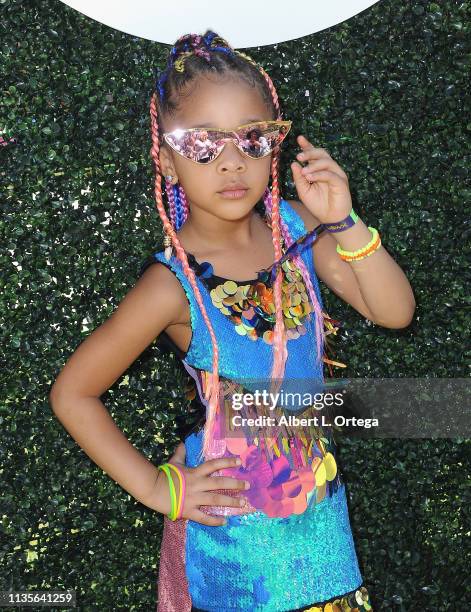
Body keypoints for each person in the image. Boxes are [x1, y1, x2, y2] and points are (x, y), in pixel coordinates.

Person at [49, 30, 416, 612]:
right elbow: (73, 393)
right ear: (166, 160)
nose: (231, 163)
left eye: (252, 139)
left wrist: (344, 221)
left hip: (323, 533)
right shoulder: (172, 284)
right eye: (203, 144)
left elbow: (394, 312)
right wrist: (158, 488)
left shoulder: (298, 230)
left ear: (275, 147)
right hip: (235, 553)